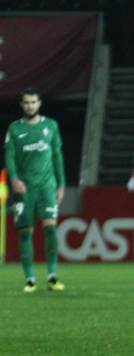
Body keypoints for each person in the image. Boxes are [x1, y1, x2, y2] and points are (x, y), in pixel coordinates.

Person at [4, 88, 66, 292]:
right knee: (25, 233)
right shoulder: (14, 129)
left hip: (47, 187)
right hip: (25, 188)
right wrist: (13, 179)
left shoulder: (50, 126)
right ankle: (30, 279)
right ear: (21, 105)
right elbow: (10, 157)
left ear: (39, 104)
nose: (30, 106)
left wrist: (61, 184)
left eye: (33, 102)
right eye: (26, 103)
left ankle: (52, 276)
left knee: (50, 227)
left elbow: (57, 155)